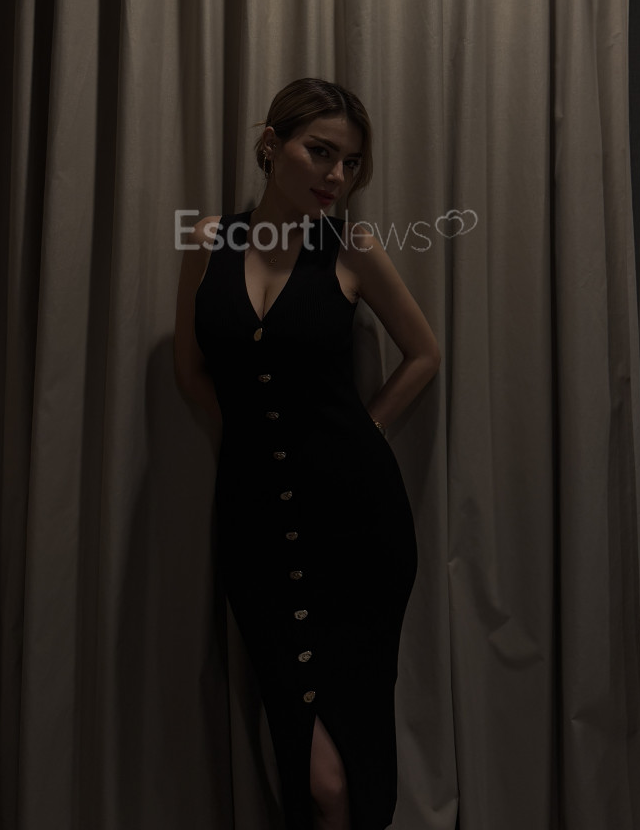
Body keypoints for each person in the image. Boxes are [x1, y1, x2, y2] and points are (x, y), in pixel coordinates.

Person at [173, 77, 441, 830]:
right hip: (254, 522)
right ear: (271, 144)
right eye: (320, 152)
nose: (336, 175)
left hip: (357, 527)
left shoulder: (351, 247)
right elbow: (190, 371)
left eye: (350, 163)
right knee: (310, 762)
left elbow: (424, 353)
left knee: (349, 756)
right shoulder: (208, 241)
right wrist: (259, 438)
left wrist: (364, 430)